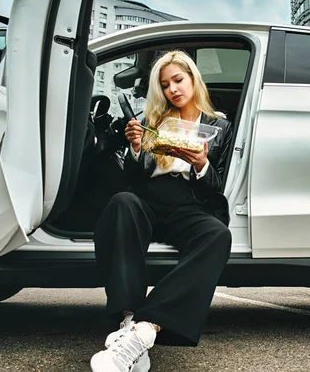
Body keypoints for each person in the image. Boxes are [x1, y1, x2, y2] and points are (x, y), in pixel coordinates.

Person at [90, 50, 233, 372]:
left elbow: (218, 182)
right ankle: (129, 320)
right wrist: (136, 148)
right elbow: (131, 177)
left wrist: (201, 164)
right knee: (122, 203)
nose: (173, 89)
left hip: (191, 201)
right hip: (147, 198)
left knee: (217, 235)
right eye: (165, 84)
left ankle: (145, 328)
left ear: (194, 79)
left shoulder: (219, 125)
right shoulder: (149, 121)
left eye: (178, 80)